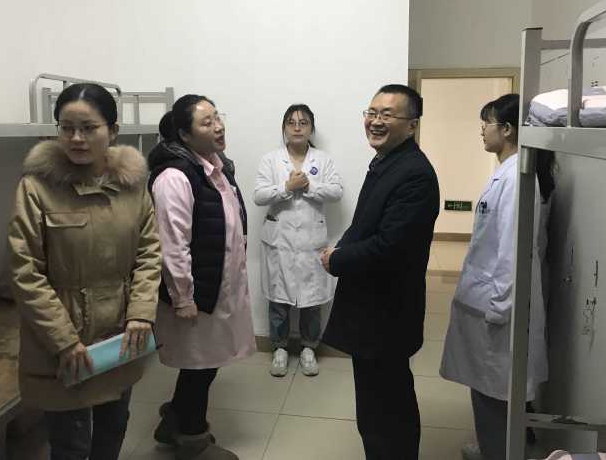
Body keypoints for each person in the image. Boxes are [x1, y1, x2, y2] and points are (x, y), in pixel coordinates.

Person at [8, 83, 162, 460]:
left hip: (119, 335)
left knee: (113, 428)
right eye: (67, 128)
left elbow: (148, 253)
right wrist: (63, 339)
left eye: (89, 128)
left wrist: (141, 313)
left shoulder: (132, 186)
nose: (76, 138)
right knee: (71, 444)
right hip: (62, 340)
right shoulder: (36, 188)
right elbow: (25, 271)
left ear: (113, 130)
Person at [320, 84, 440, 460]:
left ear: (412, 125)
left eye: (387, 114)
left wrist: (337, 259)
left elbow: (390, 247)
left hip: (386, 314)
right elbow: (368, 225)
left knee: (387, 410)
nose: (375, 121)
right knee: (376, 407)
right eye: (371, 113)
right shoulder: (387, 162)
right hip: (373, 311)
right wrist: (343, 247)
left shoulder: (414, 174)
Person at [439, 94, 554, 460]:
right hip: (492, 302)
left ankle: (496, 452)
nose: (482, 130)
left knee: (495, 390)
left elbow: (512, 252)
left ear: (506, 129)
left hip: (500, 310)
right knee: (488, 388)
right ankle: (492, 448)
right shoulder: (507, 172)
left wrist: (500, 309)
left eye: (486, 123)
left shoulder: (517, 180)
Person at [148, 95, 256, 460]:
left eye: (217, 117)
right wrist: (183, 298)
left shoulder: (216, 167)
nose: (219, 126)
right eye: (207, 122)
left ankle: (173, 423)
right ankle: (192, 439)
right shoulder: (174, 178)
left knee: (204, 364)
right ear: (184, 134)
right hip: (196, 294)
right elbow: (172, 244)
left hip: (217, 288)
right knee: (200, 366)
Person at [254, 104, 343, 377]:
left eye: (303, 122)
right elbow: (259, 196)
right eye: (291, 122)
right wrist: (286, 188)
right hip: (279, 241)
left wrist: (309, 186)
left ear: (311, 129)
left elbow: (336, 191)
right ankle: (279, 348)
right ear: (284, 128)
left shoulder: (323, 160)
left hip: (310, 241)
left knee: (311, 299)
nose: (297, 127)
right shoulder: (271, 160)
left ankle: (308, 348)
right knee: (278, 299)